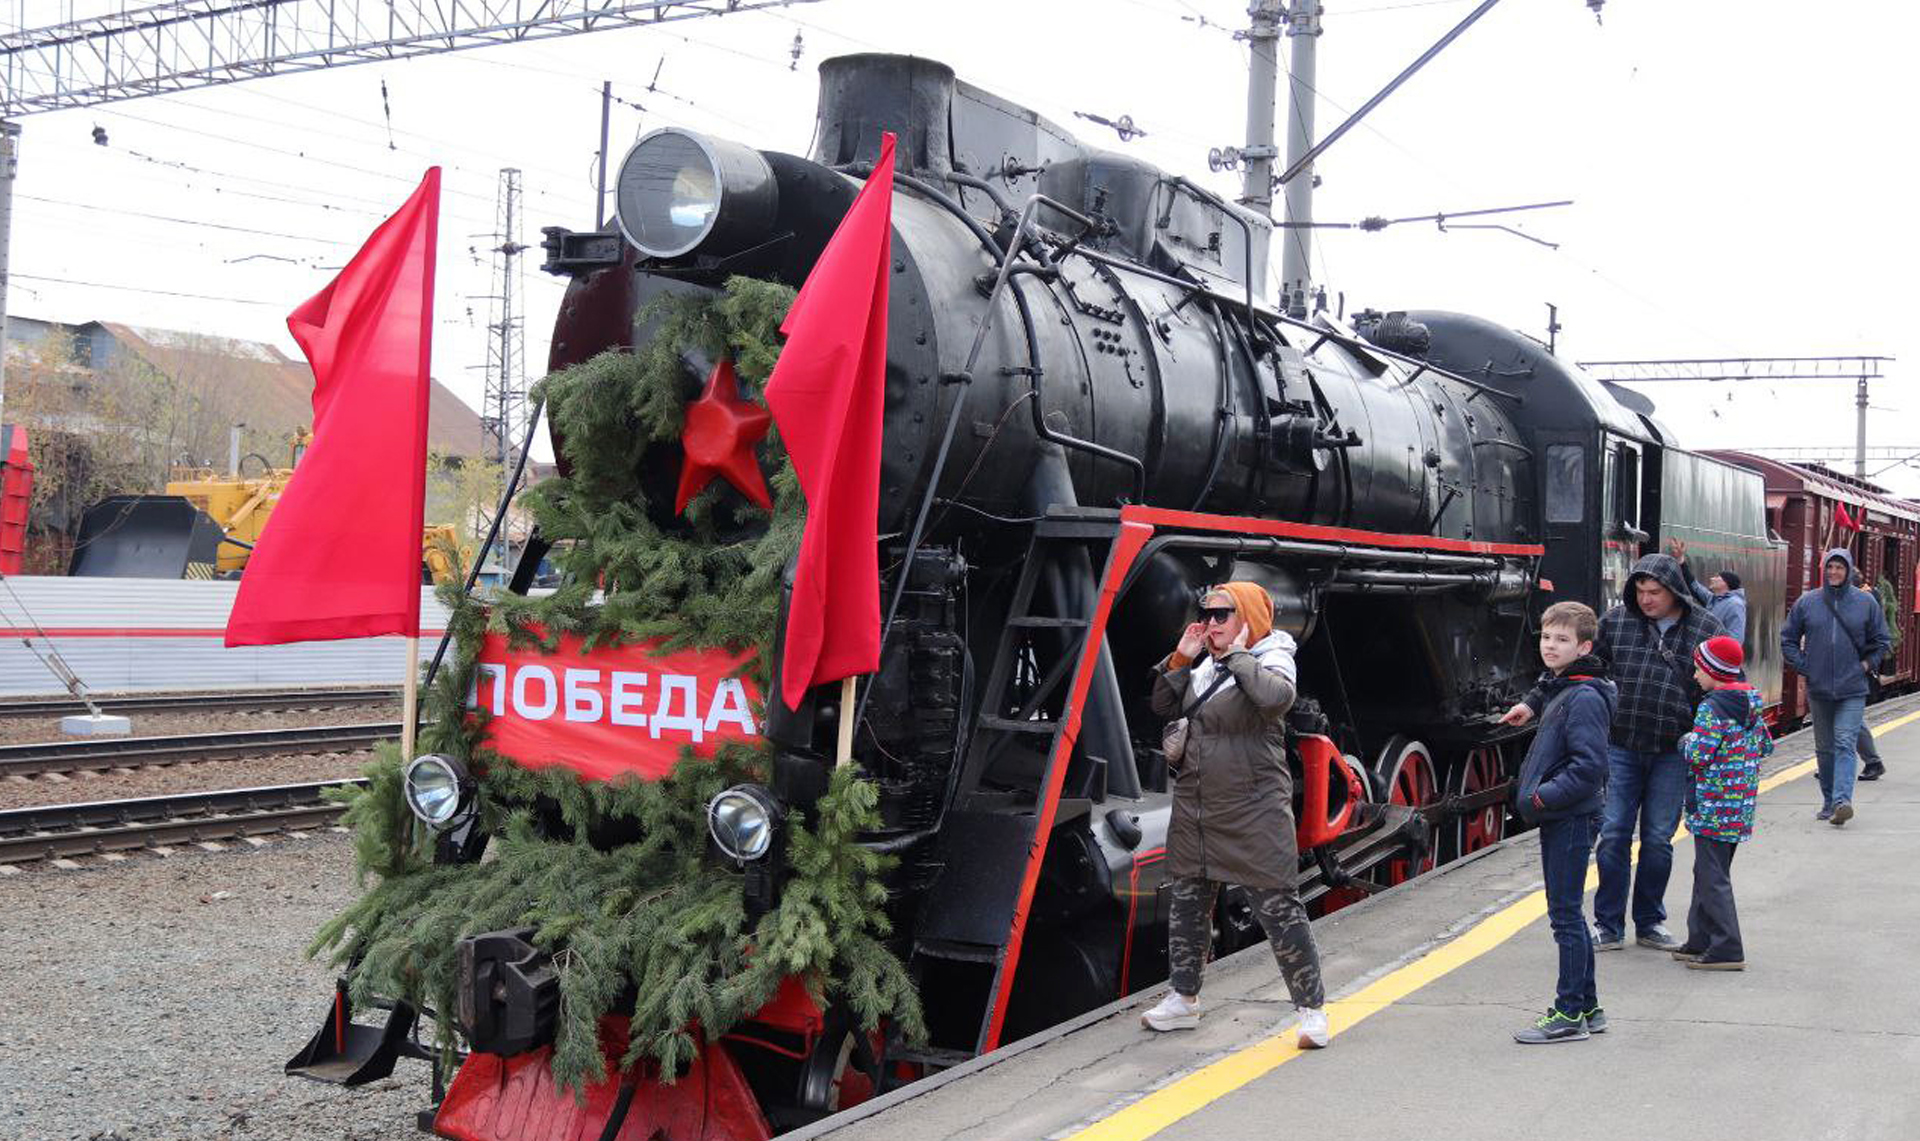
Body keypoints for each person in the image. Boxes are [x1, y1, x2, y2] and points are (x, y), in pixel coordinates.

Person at [1502, 552, 1721, 953]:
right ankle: (1609, 924)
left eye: (1654, 592)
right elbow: (1572, 668)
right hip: (1620, 745)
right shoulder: (1616, 622)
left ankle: (1650, 920)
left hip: (1673, 749)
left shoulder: (1705, 626)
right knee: (1614, 834)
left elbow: (1721, 684)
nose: (1646, 599)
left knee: (1657, 838)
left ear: (1675, 591)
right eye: (1639, 591)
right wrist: (1532, 704)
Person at [1142, 581, 1329, 1049]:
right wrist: (1182, 658)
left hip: (1253, 808)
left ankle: (1312, 1011)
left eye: (1222, 614)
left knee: (1278, 907)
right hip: (1198, 807)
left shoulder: (1271, 657)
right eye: (1206, 613)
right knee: (1187, 902)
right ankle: (1183, 999)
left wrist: (1239, 656)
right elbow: (1162, 706)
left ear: (1247, 618)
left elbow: (1274, 700)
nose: (1210, 623)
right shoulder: (1205, 664)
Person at [1511, 601, 1616, 1044]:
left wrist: (1540, 797)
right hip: (1566, 814)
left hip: (1570, 815)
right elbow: (1547, 687)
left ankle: (1569, 1012)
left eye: (1561, 640)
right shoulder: (1567, 684)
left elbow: (1589, 766)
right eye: (1546, 637)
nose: (1550, 646)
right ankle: (1589, 1008)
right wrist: (1529, 705)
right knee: (1568, 913)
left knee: (1565, 916)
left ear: (1584, 646)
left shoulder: (1585, 697)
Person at [1674, 635, 1770, 972]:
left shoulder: (1711, 707)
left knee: (1711, 875)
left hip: (1712, 803)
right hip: (1739, 804)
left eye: (1698, 668)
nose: (1695, 675)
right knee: (1709, 871)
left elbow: (1698, 753)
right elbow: (1765, 746)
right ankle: (1700, 939)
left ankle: (1727, 947)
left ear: (1714, 671)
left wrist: (1685, 740)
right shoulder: (1753, 702)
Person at [1781, 549, 1891, 826]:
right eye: (1830, 567)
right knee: (1824, 748)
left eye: (1839, 568)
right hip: (1818, 689)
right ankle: (1829, 801)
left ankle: (1843, 801)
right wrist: (1805, 666)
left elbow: (1881, 640)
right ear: (1824, 570)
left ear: (1849, 570)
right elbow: (1788, 639)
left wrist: (1865, 666)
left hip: (1852, 688)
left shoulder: (1866, 603)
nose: (1834, 572)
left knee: (1844, 742)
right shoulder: (1808, 602)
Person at [1667, 538, 1747, 645]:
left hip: (1717, 654)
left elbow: (1736, 639)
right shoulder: (1713, 599)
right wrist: (1680, 559)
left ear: (1726, 583)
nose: (1712, 579)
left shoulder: (1735, 605)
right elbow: (1693, 585)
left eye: (1717, 577)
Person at [1851, 570, 1888, 782]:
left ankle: (1873, 761)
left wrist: (1866, 663)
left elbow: (1877, 638)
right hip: (1842, 669)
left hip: (1855, 669)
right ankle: (1831, 763)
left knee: (1852, 718)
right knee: (1840, 719)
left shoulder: (1867, 601)